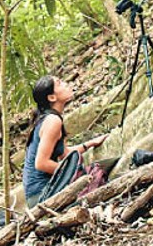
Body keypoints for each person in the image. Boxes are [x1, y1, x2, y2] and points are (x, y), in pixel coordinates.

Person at [23, 75, 108, 208]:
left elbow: (65, 154)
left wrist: (90, 143)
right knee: (99, 171)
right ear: (52, 97)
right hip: (43, 195)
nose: (66, 84)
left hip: (40, 194)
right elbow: (41, 163)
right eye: (60, 83)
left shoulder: (51, 118)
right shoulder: (52, 121)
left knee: (99, 169)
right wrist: (74, 172)